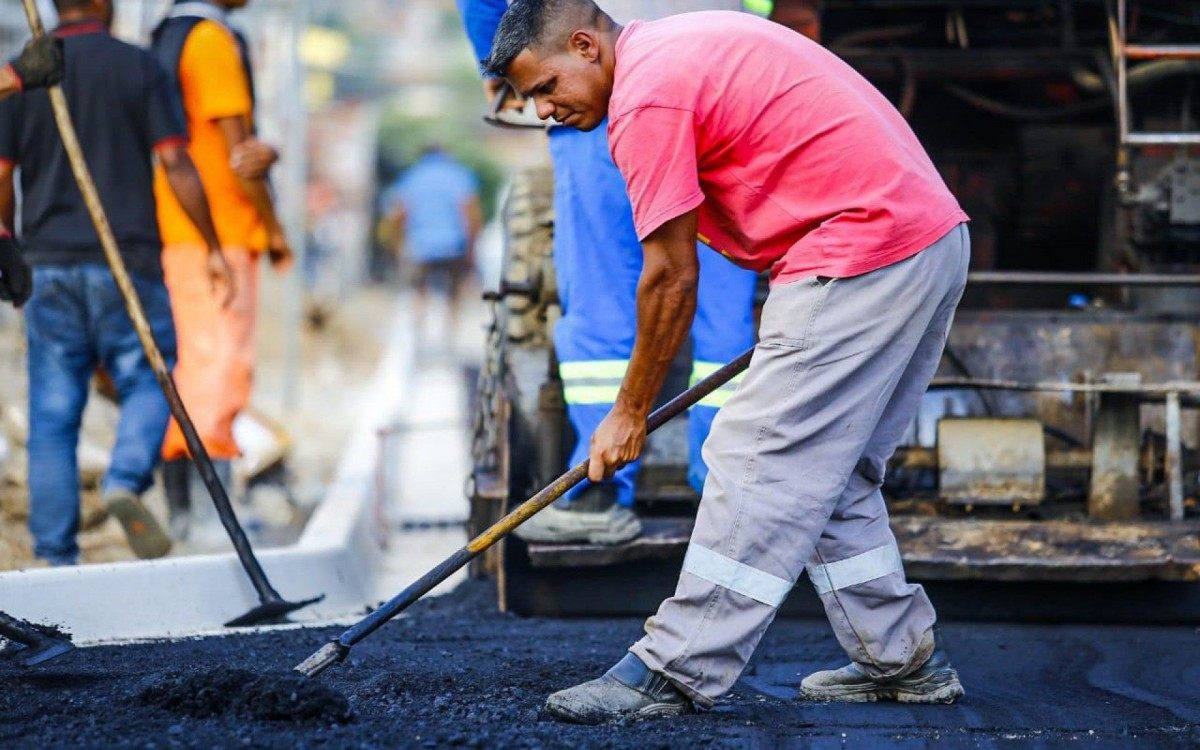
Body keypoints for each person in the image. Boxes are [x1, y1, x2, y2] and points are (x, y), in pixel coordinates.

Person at [486, 0, 970, 721]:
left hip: (861, 248)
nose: (547, 109)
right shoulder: (682, 46)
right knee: (832, 473)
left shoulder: (648, 94)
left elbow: (670, 277)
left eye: (548, 88)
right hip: (923, 240)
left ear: (585, 45)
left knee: (754, 457)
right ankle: (901, 657)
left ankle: (676, 667)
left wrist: (628, 413)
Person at [459, 0, 760, 545]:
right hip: (722, 88)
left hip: (598, 86)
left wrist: (507, 68)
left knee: (602, 298)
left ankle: (598, 491)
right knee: (723, 300)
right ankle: (728, 489)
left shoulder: (569, 83)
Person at [0, 0, 231, 566]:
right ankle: (125, 476)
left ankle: (56, 554)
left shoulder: (20, 72)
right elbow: (175, 161)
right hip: (126, 259)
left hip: (49, 264)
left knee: (53, 414)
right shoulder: (139, 66)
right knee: (151, 379)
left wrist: (5, 237)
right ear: (105, 4)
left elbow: (2, 173)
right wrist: (212, 244)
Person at [150, 0, 292, 541]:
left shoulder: (167, 33)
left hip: (177, 223)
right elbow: (242, 158)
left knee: (192, 364)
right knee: (221, 367)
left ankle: (184, 513)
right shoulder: (211, 41)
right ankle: (208, 519)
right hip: (219, 227)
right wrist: (274, 227)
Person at [380, 144, 482, 349]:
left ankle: (420, 339)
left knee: (419, 291)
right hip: (454, 245)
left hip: (420, 245)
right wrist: (471, 247)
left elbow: (400, 212)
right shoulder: (459, 175)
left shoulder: (412, 176)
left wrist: (397, 244)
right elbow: (470, 213)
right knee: (453, 293)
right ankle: (449, 338)